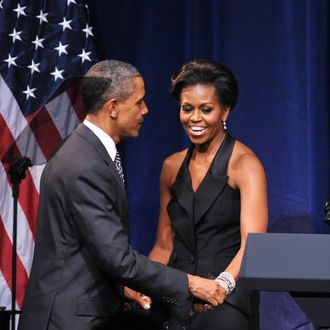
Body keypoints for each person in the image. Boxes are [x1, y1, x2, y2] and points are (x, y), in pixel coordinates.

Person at [18, 60, 225, 330]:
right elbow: (117, 258)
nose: (145, 110)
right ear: (113, 107)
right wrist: (191, 283)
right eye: (139, 102)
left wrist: (121, 289)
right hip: (67, 319)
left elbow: (86, 247)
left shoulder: (84, 149)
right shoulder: (84, 164)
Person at [148, 59, 268, 329]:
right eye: (187, 109)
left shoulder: (246, 165)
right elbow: (164, 244)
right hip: (174, 303)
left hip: (226, 304)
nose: (195, 119)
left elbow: (253, 245)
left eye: (206, 109)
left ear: (225, 112)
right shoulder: (170, 167)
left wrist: (219, 287)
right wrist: (141, 285)